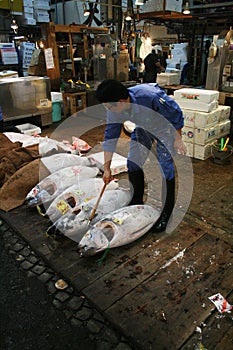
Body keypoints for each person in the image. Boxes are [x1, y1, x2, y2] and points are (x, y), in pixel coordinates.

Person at [95, 79, 186, 233]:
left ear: (122, 102)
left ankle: (166, 212)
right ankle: (136, 200)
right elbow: (110, 138)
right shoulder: (114, 110)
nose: (108, 110)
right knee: (133, 162)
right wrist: (107, 168)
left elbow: (175, 114)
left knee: (166, 167)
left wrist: (178, 139)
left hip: (164, 127)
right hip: (144, 126)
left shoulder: (151, 96)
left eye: (108, 106)